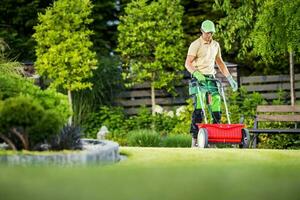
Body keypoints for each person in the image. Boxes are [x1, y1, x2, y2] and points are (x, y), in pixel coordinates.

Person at [185, 19, 238, 147]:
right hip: (198, 78)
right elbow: (188, 63)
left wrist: (230, 78)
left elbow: (220, 63)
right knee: (200, 105)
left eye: (211, 33)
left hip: (211, 78)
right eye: (207, 33)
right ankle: (195, 138)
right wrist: (196, 73)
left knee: (216, 103)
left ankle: (213, 136)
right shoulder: (195, 44)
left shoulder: (216, 45)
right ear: (202, 31)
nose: (209, 35)